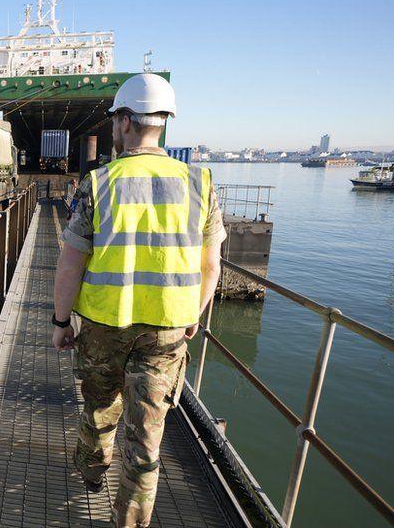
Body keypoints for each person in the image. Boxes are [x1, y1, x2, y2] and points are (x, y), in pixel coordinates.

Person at [50, 73, 226, 527]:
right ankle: (129, 521)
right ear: (163, 121)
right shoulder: (201, 183)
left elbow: (70, 265)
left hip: (105, 328)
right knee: (147, 437)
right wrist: (194, 315)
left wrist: (60, 320)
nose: (112, 127)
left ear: (125, 121)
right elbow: (211, 268)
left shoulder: (99, 184)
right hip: (168, 333)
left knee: (99, 406)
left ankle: (92, 470)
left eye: (114, 119)